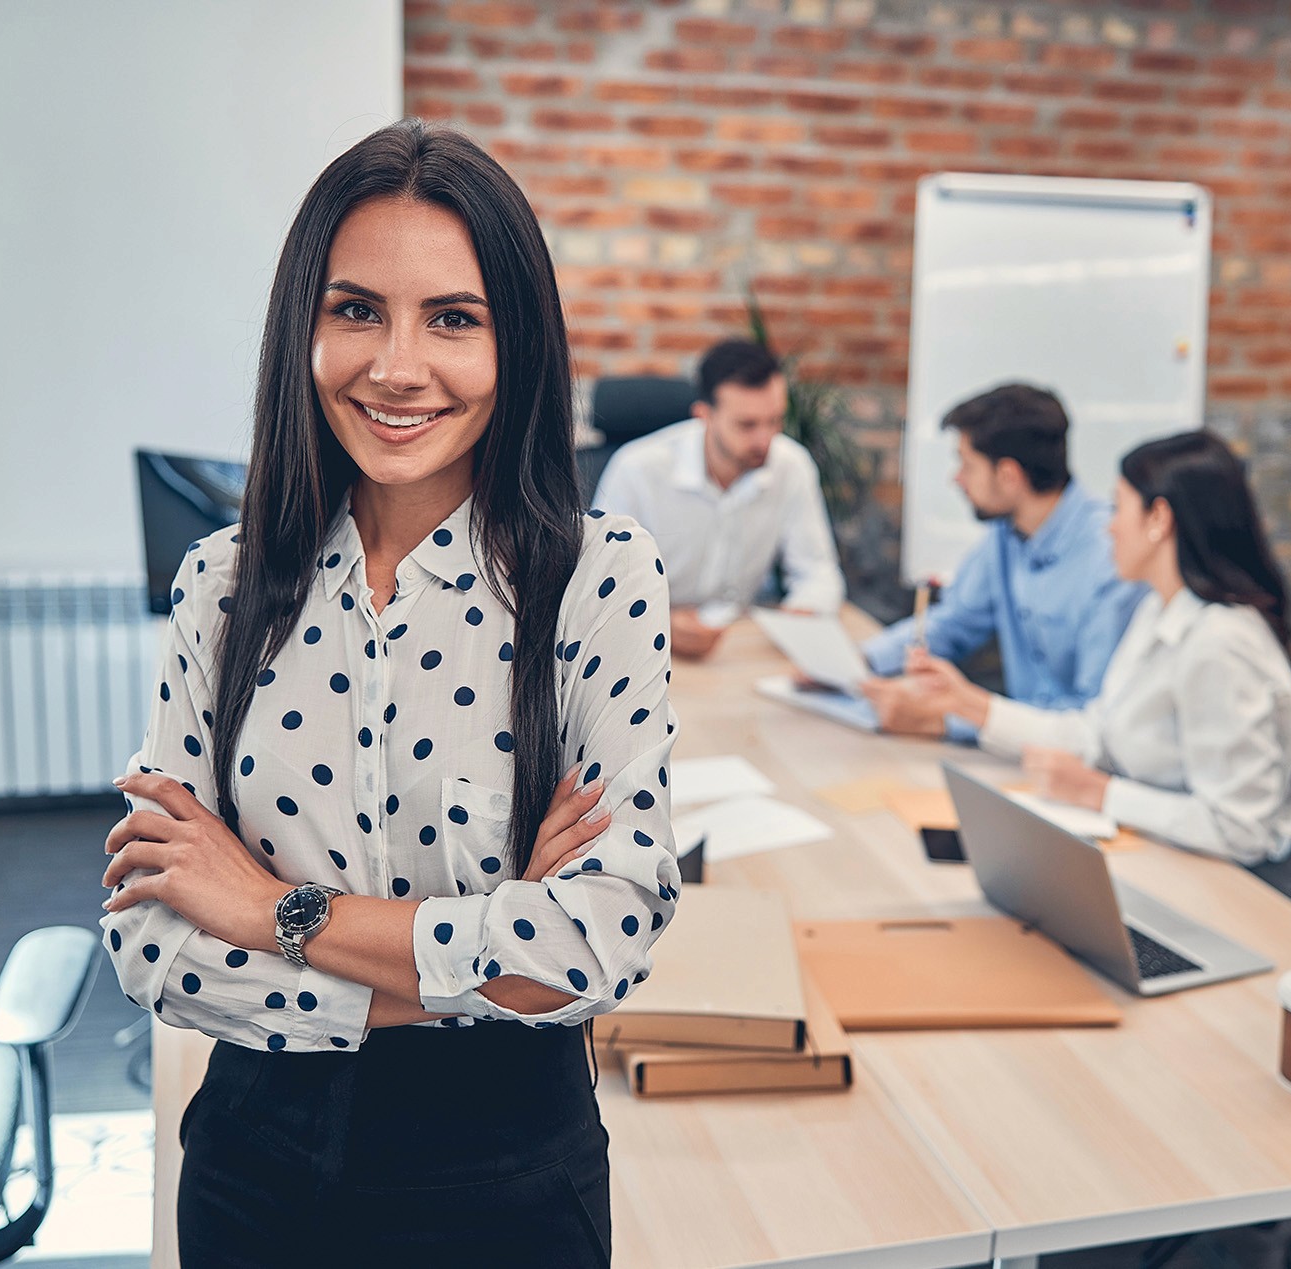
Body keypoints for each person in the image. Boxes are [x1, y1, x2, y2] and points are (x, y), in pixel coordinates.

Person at [99, 120, 681, 1267]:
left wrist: (272, 911)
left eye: (452, 319)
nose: (396, 367)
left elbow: (599, 940)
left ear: (514, 342)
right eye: (355, 309)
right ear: (302, 329)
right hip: (252, 1165)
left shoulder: (598, 578)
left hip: (506, 1174)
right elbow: (151, 942)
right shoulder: (221, 585)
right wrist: (485, 966)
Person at [899, 430, 1291, 866]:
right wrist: (970, 704)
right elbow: (1098, 734)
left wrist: (1101, 794)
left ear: (1159, 519)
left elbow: (1241, 831)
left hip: (1239, 890)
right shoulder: (1159, 608)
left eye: (1120, 508)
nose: (1109, 526)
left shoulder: (1221, 644)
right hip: (1169, 856)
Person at [861, 383, 1142, 742]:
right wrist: (862, 663)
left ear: (1009, 476)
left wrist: (945, 721)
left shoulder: (1112, 560)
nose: (956, 479)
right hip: (1015, 750)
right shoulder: (1005, 535)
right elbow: (955, 621)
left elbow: (1091, 718)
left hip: (1071, 762)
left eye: (966, 464)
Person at [592, 338, 845, 659]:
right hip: (648, 647)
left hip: (740, 644)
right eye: (747, 424)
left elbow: (817, 571)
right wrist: (659, 623)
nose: (765, 439)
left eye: (775, 421)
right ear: (704, 415)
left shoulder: (791, 465)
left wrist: (804, 612)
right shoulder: (638, 470)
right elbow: (600, 590)